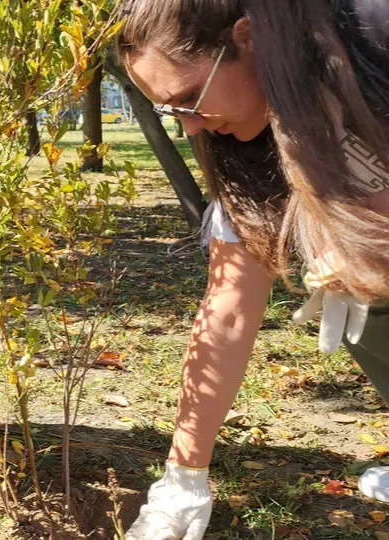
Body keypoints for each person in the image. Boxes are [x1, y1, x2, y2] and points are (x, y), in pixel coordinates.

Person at [116, 0, 389, 538]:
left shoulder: (373, 35)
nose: (192, 126)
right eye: (172, 112)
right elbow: (228, 314)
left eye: (190, 98)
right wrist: (184, 475)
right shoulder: (248, 144)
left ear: (247, 38)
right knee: (362, 301)